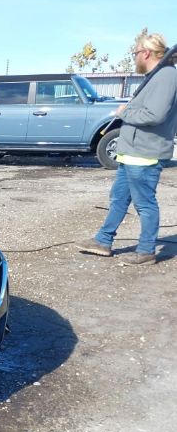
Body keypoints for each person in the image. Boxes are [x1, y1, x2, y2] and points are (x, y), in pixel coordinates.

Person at [78, 32, 177, 265]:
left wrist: (125, 113)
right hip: (132, 152)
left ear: (146, 53)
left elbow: (155, 114)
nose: (134, 59)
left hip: (145, 153)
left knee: (145, 203)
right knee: (119, 199)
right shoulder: (156, 76)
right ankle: (103, 241)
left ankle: (146, 251)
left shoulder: (166, 76)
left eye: (135, 54)